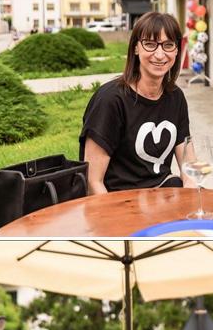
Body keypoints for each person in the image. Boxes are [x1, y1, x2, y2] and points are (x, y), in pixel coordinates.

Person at [80, 12, 197, 194]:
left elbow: (188, 165)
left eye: (168, 45)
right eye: (150, 44)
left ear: (176, 50)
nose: (160, 54)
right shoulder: (111, 100)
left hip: (161, 195)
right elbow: (93, 182)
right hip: (120, 202)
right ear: (136, 48)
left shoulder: (176, 97)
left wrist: (191, 195)